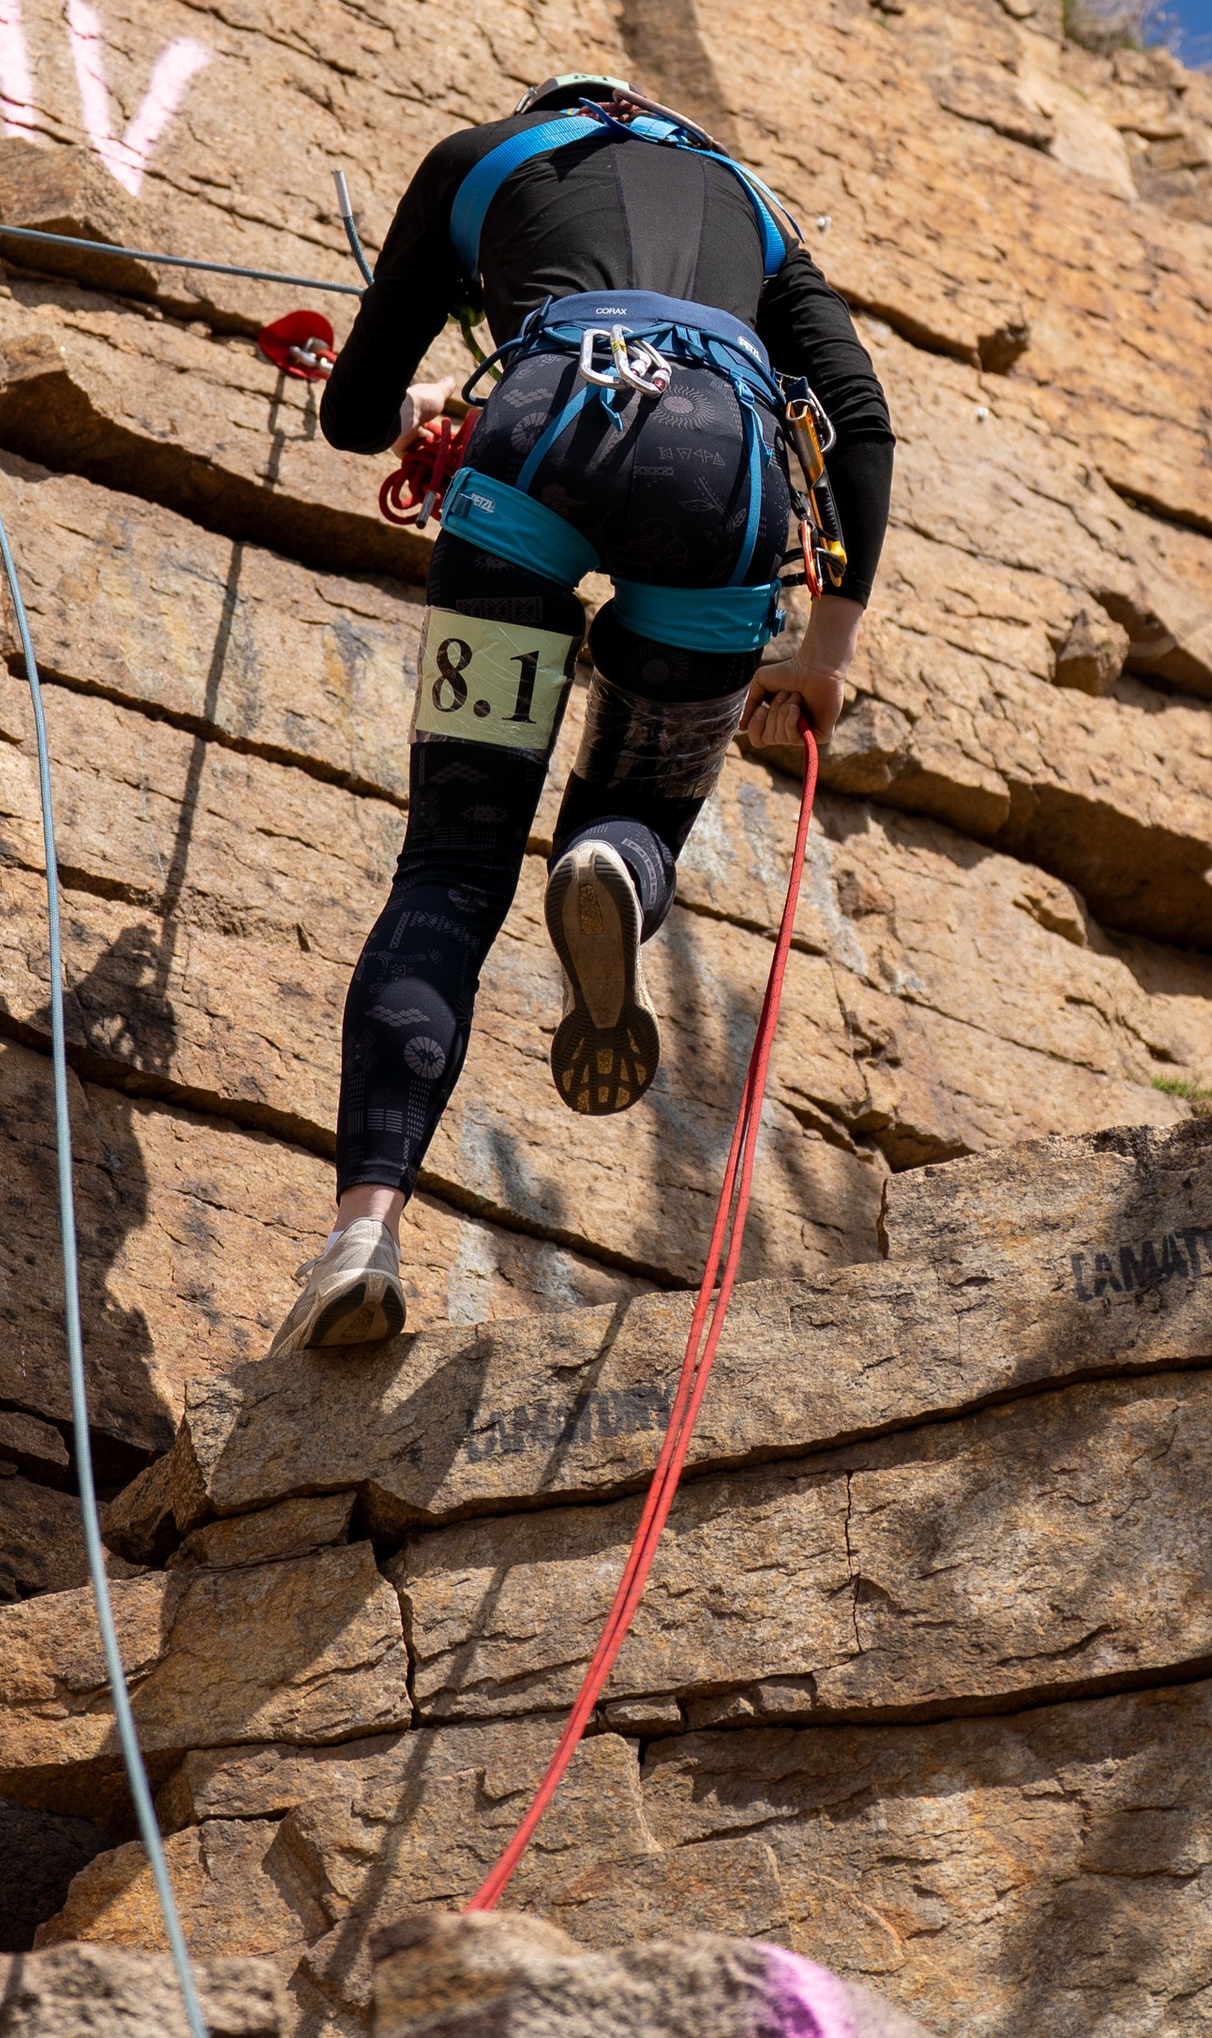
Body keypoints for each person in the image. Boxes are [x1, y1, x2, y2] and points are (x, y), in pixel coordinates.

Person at [269, 72, 894, 1353]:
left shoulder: (477, 159)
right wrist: (825, 651)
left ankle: (361, 1238)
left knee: (451, 866)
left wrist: (428, 411)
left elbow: (350, 415)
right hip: (720, 474)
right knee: (640, 806)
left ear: (550, 111)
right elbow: (860, 419)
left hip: (536, 440)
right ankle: (609, 856)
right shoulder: (754, 208)